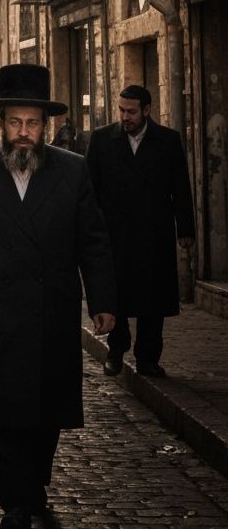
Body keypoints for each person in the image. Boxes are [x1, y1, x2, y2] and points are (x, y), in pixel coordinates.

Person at [0, 64, 116, 529]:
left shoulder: (72, 171)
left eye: (32, 123)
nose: (24, 133)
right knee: (2, 411)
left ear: (45, 126)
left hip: (49, 310)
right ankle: (13, 500)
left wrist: (102, 300)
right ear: (1, 124)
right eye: (15, 123)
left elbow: (91, 240)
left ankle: (34, 484)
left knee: (45, 410)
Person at [86, 84, 195, 379]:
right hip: (114, 235)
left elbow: (180, 188)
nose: (125, 116)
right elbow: (90, 191)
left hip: (153, 234)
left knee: (152, 300)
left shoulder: (167, 141)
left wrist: (185, 228)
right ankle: (116, 351)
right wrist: (89, 231)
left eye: (131, 111)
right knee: (116, 297)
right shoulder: (101, 140)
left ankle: (148, 358)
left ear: (146, 110)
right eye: (121, 110)